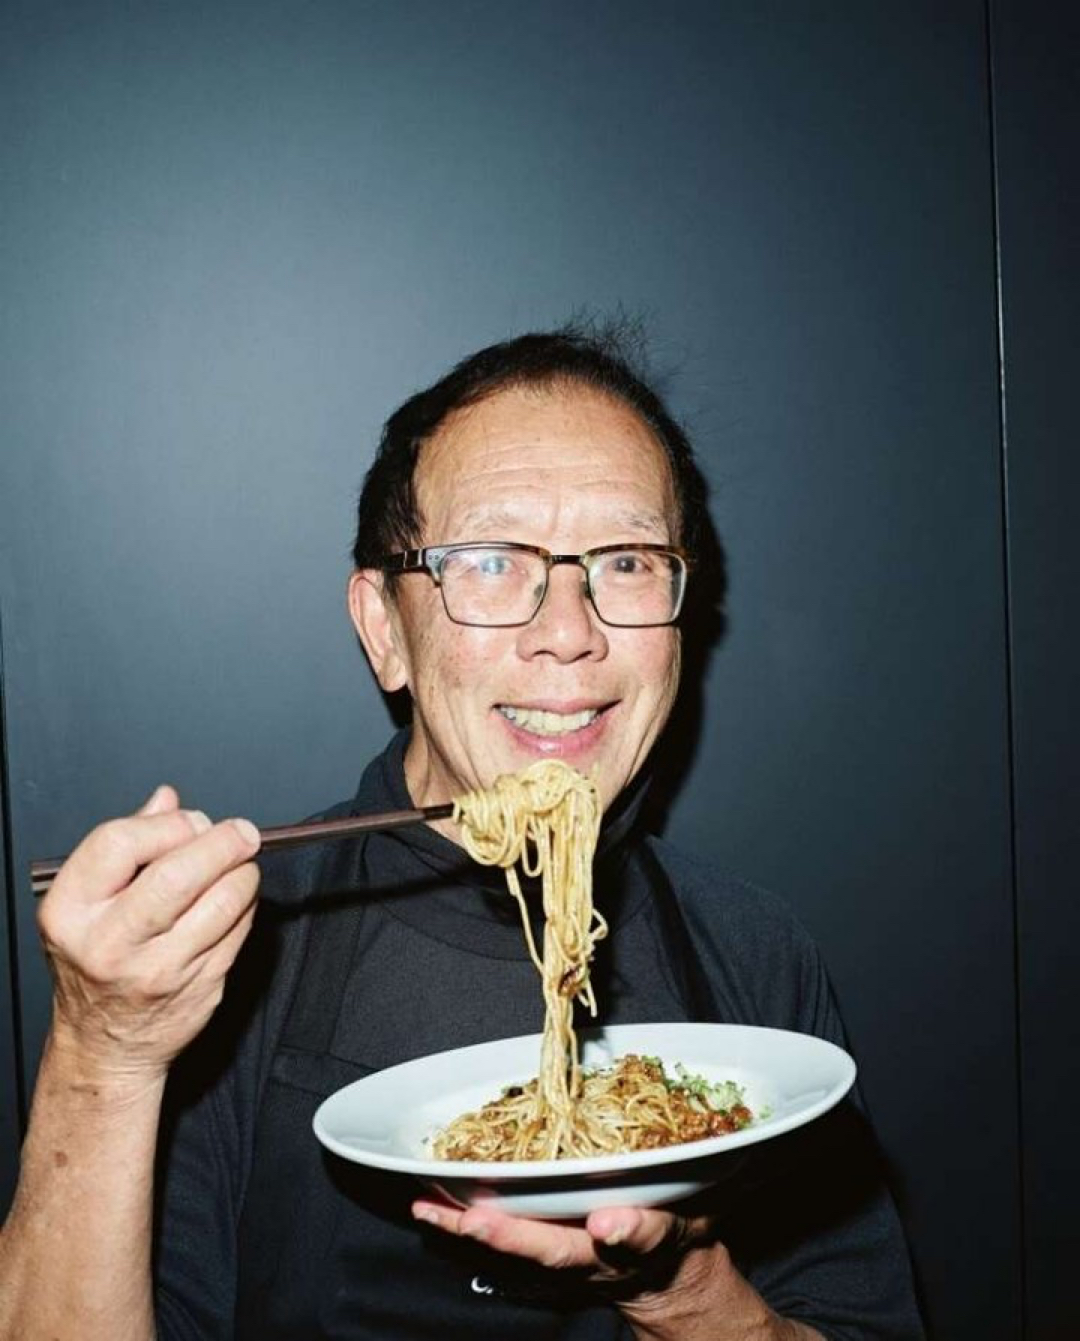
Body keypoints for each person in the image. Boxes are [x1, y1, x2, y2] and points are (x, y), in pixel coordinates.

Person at [0, 327, 924, 1339]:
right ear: (385, 629)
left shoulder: (752, 951)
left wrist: (681, 1291)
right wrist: (101, 1056)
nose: (568, 632)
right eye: (489, 562)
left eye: (625, 561)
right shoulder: (224, 957)